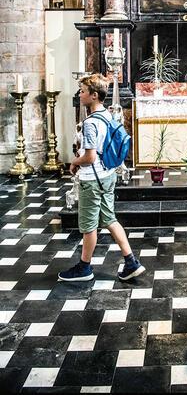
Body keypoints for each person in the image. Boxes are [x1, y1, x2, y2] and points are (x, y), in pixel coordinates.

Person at [58, 74, 145, 283]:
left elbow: (90, 156)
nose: (79, 94)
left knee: (88, 226)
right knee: (109, 219)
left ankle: (84, 268)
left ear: (94, 95)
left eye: (83, 91)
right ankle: (131, 262)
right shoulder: (108, 115)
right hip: (107, 175)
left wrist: (74, 162)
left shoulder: (89, 123)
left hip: (92, 179)